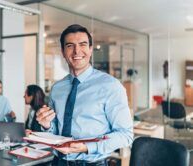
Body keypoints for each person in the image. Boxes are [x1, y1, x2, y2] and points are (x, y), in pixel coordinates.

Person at [36, 24, 133, 165]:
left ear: (90, 49)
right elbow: (55, 130)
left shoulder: (111, 86)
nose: (77, 51)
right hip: (59, 162)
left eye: (83, 44)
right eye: (70, 46)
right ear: (63, 52)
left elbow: (125, 135)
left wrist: (87, 147)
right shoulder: (57, 88)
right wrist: (46, 125)